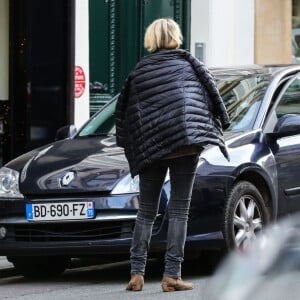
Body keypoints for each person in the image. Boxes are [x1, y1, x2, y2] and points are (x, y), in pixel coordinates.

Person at [115, 18, 230, 292]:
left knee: (146, 211)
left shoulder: (139, 70)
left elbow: (125, 111)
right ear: (175, 37)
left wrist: (127, 143)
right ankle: (171, 275)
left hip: (150, 148)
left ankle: (136, 273)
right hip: (184, 145)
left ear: (151, 39)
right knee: (179, 210)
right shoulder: (190, 64)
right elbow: (212, 94)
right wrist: (222, 123)